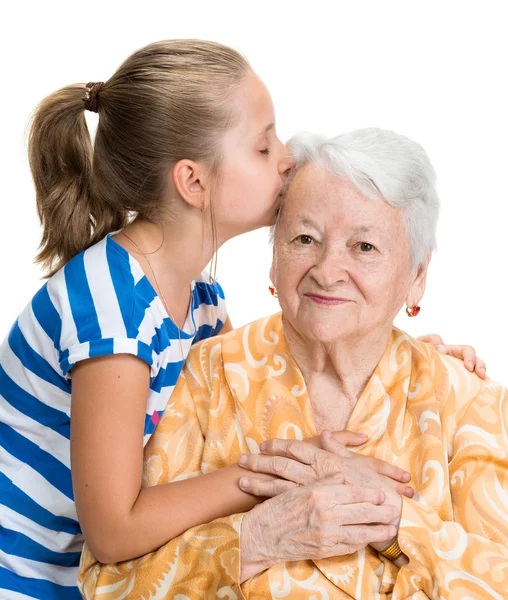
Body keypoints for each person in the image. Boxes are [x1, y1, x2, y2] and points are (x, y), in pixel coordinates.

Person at [0, 39, 485, 599]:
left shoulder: (199, 295)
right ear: (194, 183)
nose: (286, 157)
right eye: (262, 146)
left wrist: (395, 353)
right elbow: (114, 532)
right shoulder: (114, 310)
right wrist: (276, 478)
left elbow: (242, 394)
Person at [79, 128, 507, 599]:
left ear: (417, 277)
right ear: (273, 261)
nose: (326, 270)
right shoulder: (207, 373)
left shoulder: (469, 401)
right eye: (305, 239)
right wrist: (255, 540)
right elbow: (107, 584)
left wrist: (393, 521)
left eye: (364, 247)